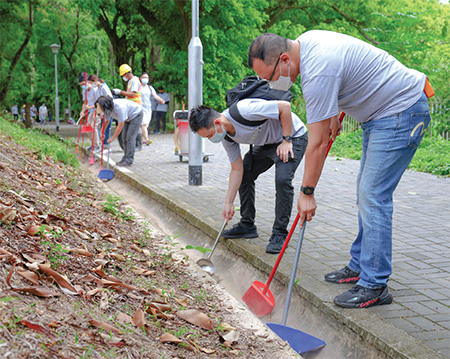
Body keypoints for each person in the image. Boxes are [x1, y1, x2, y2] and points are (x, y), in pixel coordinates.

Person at [248, 30, 432, 308]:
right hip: (381, 116)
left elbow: (318, 143)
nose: (273, 83)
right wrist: (333, 114)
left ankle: (375, 285)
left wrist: (307, 192)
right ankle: (361, 265)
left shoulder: (317, 69)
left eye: (272, 76)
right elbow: (346, 75)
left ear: (284, 59)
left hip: (401, 111)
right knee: (366, 193)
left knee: (373, 195)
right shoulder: (307, 43)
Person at [189, 99, 308, 254]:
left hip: (293, 136)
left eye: (209, 135)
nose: (211, 139)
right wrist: (228, 203)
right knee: (245, 173)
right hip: (268, 143)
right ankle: (247, 225)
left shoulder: (245, 110)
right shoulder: (226, 137)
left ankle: (279, 233)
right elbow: (236, 169)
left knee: (282, 179)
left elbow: (285, 107)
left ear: (217, 122)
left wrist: (287, 140)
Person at [95, 96, 143, 167]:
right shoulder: (107, 109)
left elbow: (120, 125)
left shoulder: (119, 107)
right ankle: (125, 158)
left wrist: (112, 138)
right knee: (124, 138)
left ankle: (129, 160)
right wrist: (102, 132)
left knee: (130, 138)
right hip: (128, 117)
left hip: (136, 115)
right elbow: (106, 121)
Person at [113, 64, 143, 150]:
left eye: (123, 75)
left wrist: (120, 92)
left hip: (136, 106)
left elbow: (132, 94)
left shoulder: (134, 81)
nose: (123, 77)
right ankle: (135, 145)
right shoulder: (130, 81)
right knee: (132, 128)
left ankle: (138, 145)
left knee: (136, 128)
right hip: (131, 106)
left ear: (128, 73)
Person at [85, 74, 113, 148]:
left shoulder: (104, 87)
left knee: (104, 127)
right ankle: (98, 144)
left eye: (91, 83)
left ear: (95, 81)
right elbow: (98, 102)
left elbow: (109, 98)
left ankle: (103, 145)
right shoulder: (97, 90)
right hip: (100, 110)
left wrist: (104, 110)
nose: (91, 85)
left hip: (107, 109)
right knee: (96, 126)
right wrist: (97, 113)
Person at [140, 72, 165, 145]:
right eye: (144, 77)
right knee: (144, 123)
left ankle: (141, 139)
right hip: (141, 107)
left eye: (147, 78)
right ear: (140, 78)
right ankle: (147, 139)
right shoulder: (138, 87)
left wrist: (161, 100)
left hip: (148, 108)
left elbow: (155, 95)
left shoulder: (149, 88)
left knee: (146, 124)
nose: (145, 79)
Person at [78, 73, 100, 151]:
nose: (83, 86)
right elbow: (85, 102)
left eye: (84, 84)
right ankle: (93, 144)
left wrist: (90, 107)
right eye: (81, 85)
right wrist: (82, 111)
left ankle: (97, 145)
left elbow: (99, 102)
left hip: (97, 110)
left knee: (93, 126)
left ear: (88, 82)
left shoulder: (94, 90)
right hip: (90, 111)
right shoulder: (84, 91)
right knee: (88, 128)